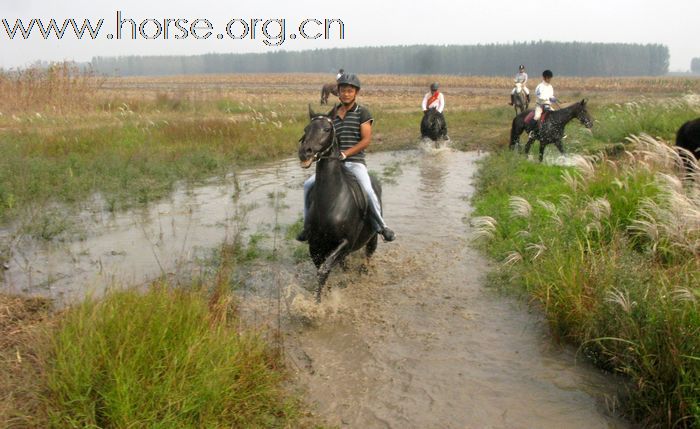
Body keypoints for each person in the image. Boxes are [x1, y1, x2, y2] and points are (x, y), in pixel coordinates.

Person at [298, 73, 396, 242]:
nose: (346, 94)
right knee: (308, 185)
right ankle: (307, 228)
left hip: (355, 162)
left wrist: (345, 154)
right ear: (339, 92)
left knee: (367, 189)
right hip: (333, 165)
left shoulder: (362, 112)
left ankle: (381, 226)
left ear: (356, 93)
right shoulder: (333, 114)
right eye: (343, 90)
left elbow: (366, 140)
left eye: (350, 91)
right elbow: (323, 137)